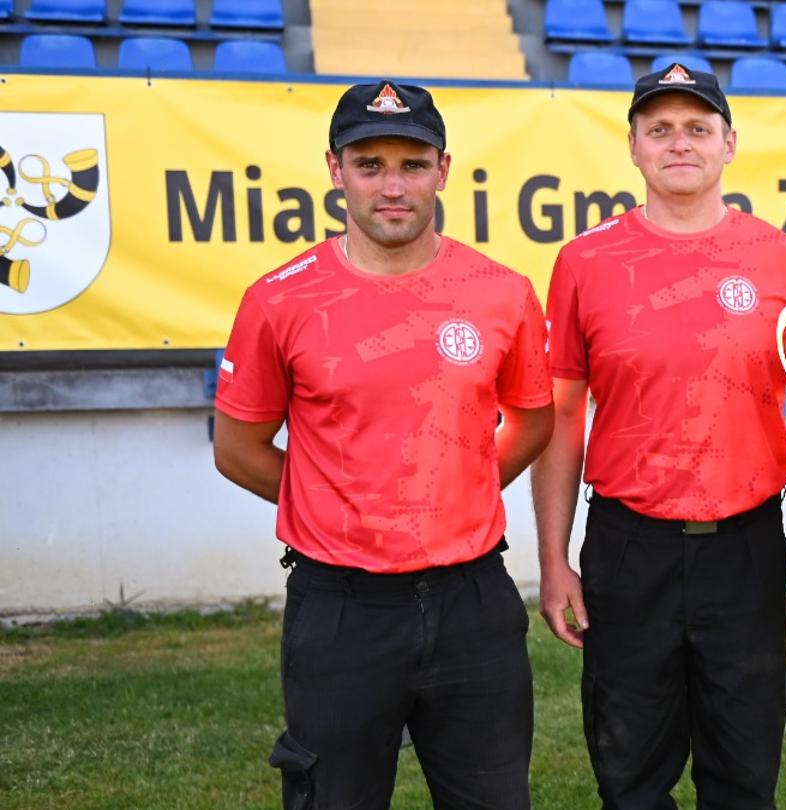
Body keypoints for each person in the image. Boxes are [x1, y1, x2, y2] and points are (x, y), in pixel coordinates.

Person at [212, 80, 553, 809]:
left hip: (473, 604)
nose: (392, 186)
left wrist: (457, 486)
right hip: (340, 609)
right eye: (370, 165)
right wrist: (347, 501)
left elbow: (532, 420)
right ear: (335, 169)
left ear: (444, 168)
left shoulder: (501, 291)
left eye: (412, 164)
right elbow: (237, 447)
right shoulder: (279, 299)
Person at [528, 63, 786, 809]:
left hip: (745, 546)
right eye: (659, 129)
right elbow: (563, 416)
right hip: (629, 549)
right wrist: (553, 560)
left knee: (745, 775)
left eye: (697, 128)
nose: (678, 143)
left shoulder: (785, 262)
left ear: (730, 143)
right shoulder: (584, 263)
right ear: (632, 147)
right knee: (629, 777)